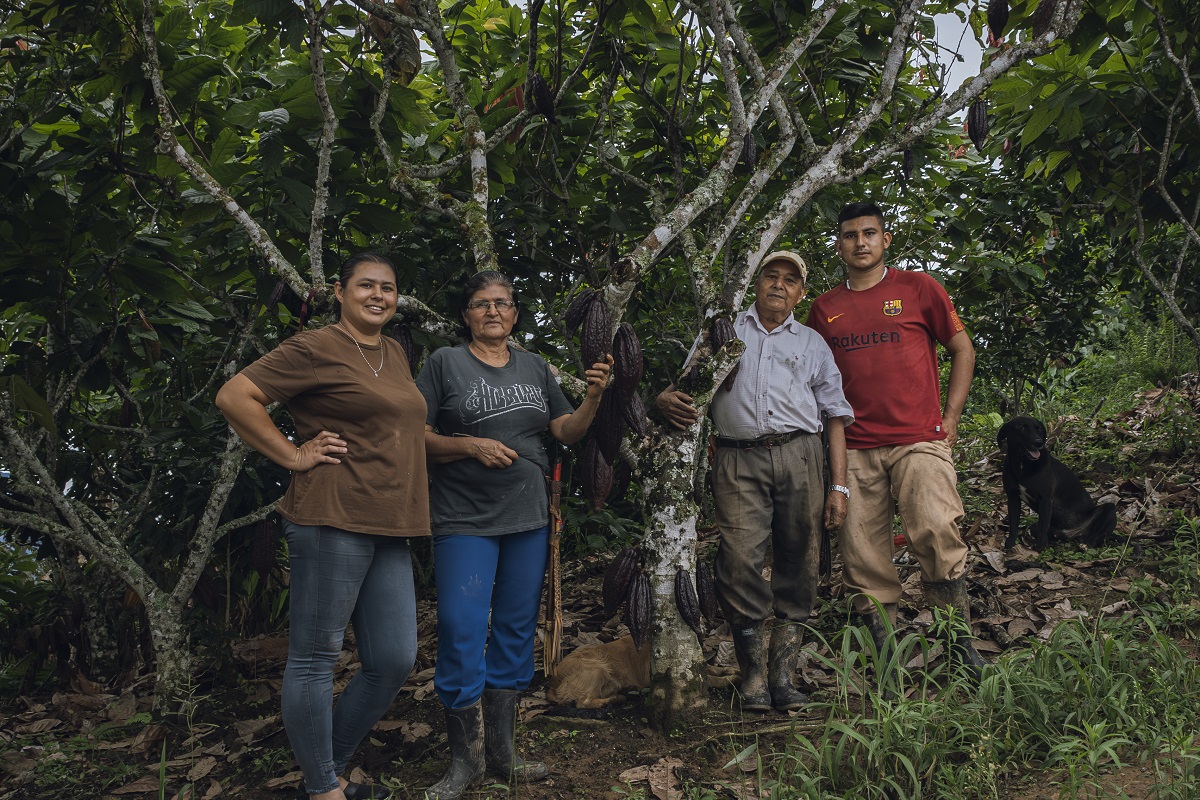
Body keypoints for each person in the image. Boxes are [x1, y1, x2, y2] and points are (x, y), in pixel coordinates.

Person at [216, 253, 428, 800]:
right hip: (331, 517)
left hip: (389, 523)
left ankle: (325, 771)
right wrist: (292, 455)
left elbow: (399, 432)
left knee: (394, 659)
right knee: (315, 659)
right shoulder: (314, 348)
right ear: (340, 291)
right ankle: (324, 789)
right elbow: (236, 396)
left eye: (388, 287)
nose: (378, 295)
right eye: (366, 286)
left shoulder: (396, 353)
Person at [415, 271, 612, 799]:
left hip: (527, 517)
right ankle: (465, 761)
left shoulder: (533, 366)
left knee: (515, 628)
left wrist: (592, 397)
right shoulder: (443, 364)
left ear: (515, 313)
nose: (493, 311)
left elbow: (565, 430)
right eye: (481, 304)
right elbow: (415, 434)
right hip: (463, 518)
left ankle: (502, 754)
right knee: (460, 626)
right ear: (466, 315)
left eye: (502, 303)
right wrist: (469, 446)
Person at [657, 252, 853, 712]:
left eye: (790, 281)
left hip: (801, 455)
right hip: (736, 457)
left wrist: (839, 487)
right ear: (756, 283)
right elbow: (687, 386)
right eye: (771, 276)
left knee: (800, 557)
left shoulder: (811, 343)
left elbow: (836, 416)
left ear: (801, 293)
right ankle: (752, 677)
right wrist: (666, 396)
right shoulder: (725, 333)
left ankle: (783, 675)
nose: (779, 286)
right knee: (739, 559)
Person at [806, 201, 986, 672]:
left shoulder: (918, 287)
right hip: (853, 447)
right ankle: (889, 656)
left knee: (936, 528)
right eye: (850, 235)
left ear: (886, 240)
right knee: (862, 555)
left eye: (870, 233)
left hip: (917, 438)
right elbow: (809, 380)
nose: (860, 242)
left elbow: (962, 348)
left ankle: (959, 648)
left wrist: (952, 415)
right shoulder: (823, 309)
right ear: (839, 244)